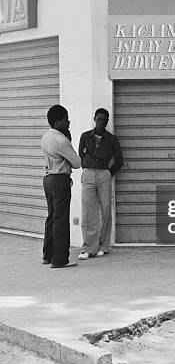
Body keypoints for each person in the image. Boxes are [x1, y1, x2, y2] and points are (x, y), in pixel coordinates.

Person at [78, 108, 123, 259]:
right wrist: (87, 168)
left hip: (104, 173)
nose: (101, 122)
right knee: (88, 211)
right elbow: (80, 155)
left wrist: (109, 173)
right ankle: (88, 248)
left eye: (104, 120)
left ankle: (103, 246)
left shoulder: (111, 139)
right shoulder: (85, 137)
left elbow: (119, 160)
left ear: (107, 121)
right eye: (99, 119)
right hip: (89, 173)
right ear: (94, 119)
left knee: (106, 210)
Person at [41, 105, 81, 268]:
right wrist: (69, 141)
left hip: (48, 179)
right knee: (61, 219)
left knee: (52, 217)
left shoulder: (46, 136)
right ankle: (60, 260)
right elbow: (77, 163)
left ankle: (48, 255)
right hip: (59, 180)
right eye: (65, 119)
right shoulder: (61, 140)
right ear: (57, 122)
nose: (69, 122)